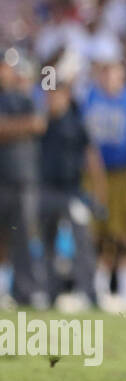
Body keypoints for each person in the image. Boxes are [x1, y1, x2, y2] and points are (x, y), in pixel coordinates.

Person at [83, 57, 126, 311]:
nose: (110, 80)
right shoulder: (89, 98)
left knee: (124, 231)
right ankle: (98, 286)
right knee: (97, 233)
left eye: (115, 74)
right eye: (106, 74)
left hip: (124, 173)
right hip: (94, 173)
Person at [37, 78, 106, 311]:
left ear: (66, 95)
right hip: (46, 190)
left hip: (73, 191)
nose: (51, 98)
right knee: (46, 243)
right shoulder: (41, 123)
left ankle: (89, 292)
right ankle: (50, 292)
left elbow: (92, 159)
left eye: (56, 94)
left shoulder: (77, 123)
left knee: (82, 243)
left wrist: (99, 193)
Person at [0, 53, 47, 306]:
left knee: (24, 237)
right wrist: (23, 127)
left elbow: (40, 123)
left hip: (23, 179)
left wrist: (10, 127)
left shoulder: (26, 96)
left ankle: (25, 291)